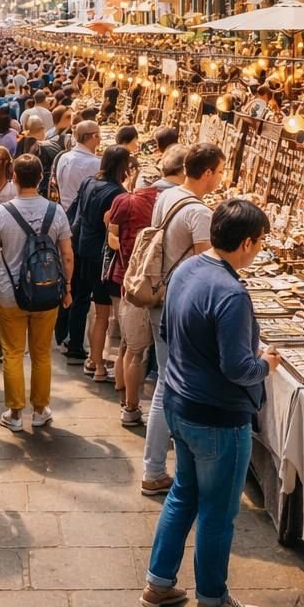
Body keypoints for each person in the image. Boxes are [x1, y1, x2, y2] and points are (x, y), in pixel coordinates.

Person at [139, 199, 277, 607]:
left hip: (180, 404)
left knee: (184, 493)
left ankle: (158, 583)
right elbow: (238, 368)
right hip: (217, 418)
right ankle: (213, 601)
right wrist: (266, 364)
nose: (259, 250)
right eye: (260, 242)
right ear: (247, 242)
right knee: (217, 511)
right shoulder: (231, 293)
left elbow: (167, 331)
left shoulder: (187, 270)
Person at [141, 142, 223, 496]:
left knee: (166, 380)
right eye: (220, 172)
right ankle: (154, 469)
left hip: (162, 297)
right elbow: (208, 268)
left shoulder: (167, 196)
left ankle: (159, 465)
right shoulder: (200, 213)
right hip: (179, 305)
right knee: (167, 385)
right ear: (207, 173)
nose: (221, 178)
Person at [0, 153, 75, 431]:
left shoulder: (1, 212)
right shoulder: (56, 211)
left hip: (9, 292)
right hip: (46, 292)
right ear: (41, 178)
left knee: (12, 353)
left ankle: (14, 414)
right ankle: (39, 409)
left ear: (14, 177)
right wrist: (67, 287)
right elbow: (67, 255)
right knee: (42, 353)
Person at [112, 144, 184, 425]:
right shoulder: (178, 202)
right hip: (155, 285)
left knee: (129, 346)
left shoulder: (129, 199)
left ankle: (127, 403)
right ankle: (133, 406)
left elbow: (112, 236)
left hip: (131, 280)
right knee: (142, 352)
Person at [67, 145, 134, 370]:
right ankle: (96, 359)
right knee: (101, 309)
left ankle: (75, 345)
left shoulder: (88, 182)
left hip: (81, 245)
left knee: (80, 298)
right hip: (100, 254)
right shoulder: (117, 193)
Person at [53, 119, 102, 211]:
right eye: (99, 135)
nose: (101, 139)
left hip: (65, 208)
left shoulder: (64, 157)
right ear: (95, 136)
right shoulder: (96, 163)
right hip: (83, 213)